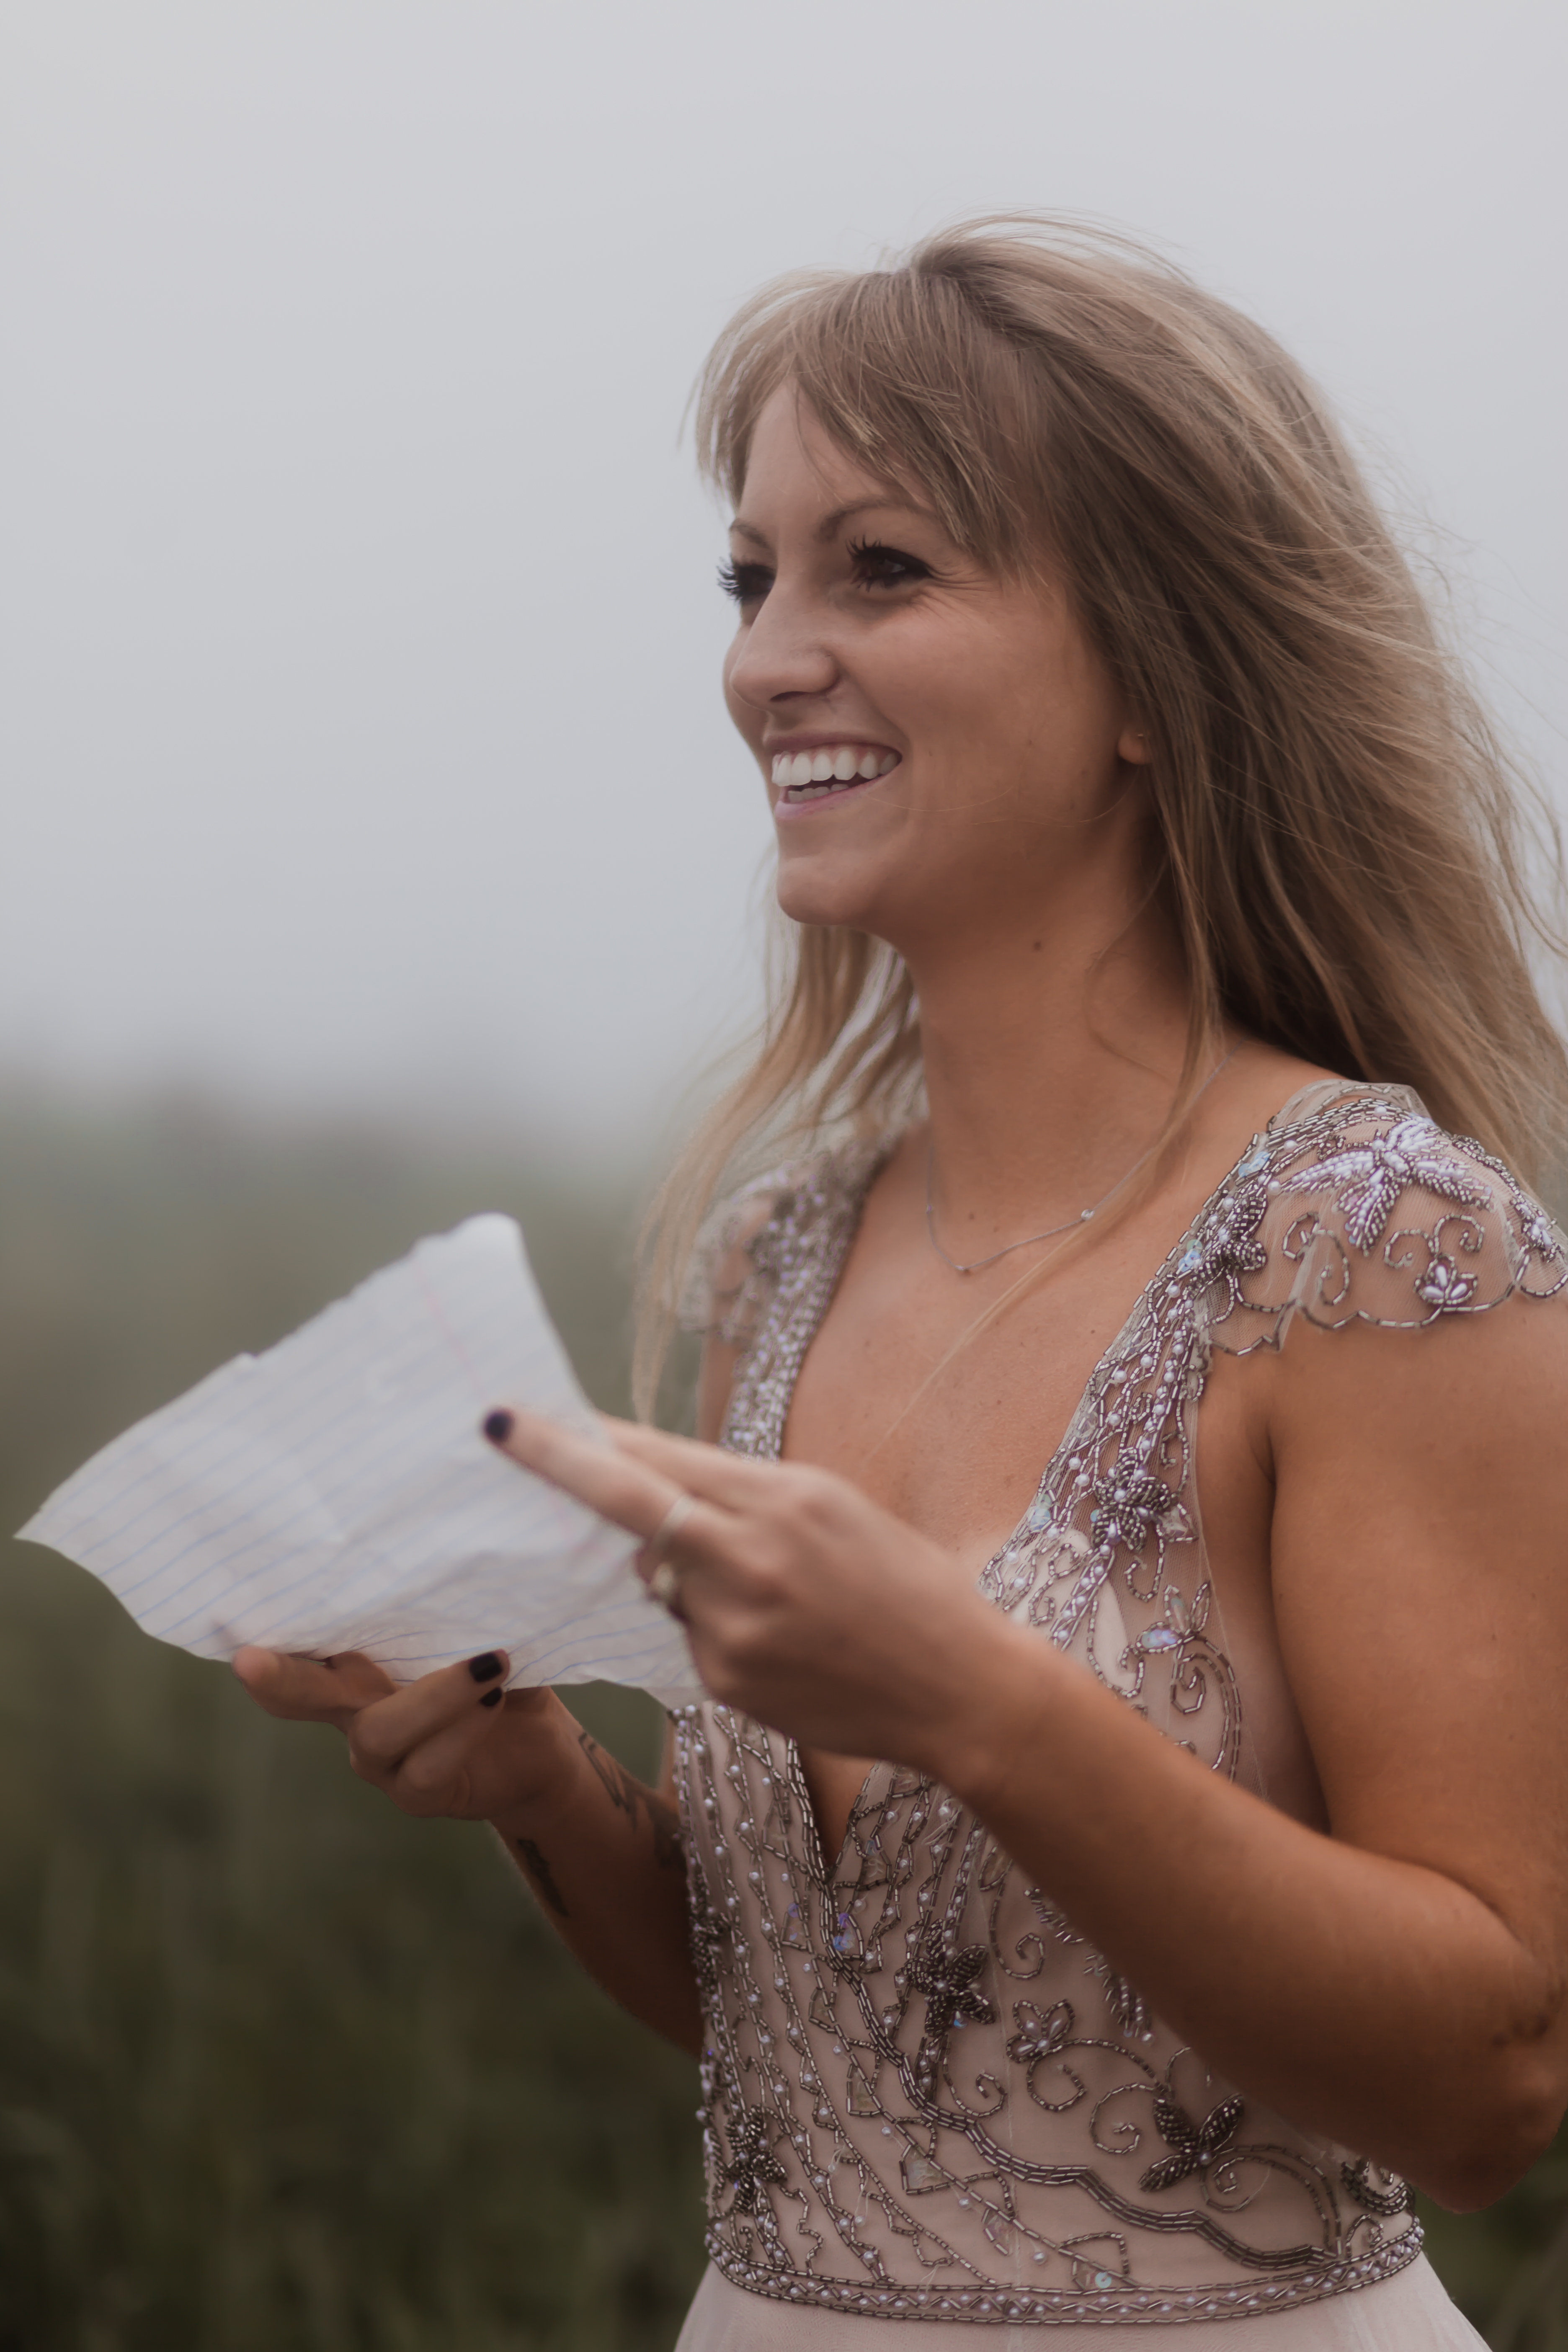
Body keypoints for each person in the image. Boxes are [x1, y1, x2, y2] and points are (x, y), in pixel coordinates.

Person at [236, 219, 1568, 2346]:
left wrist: (974, 1696)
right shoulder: (790, 1246)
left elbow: (1491, 2085)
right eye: (752, 577)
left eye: (883, 569)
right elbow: (823, 2038)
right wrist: (543, 1787)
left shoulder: (1386, 1255)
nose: (771, 657)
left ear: (1152, 668)